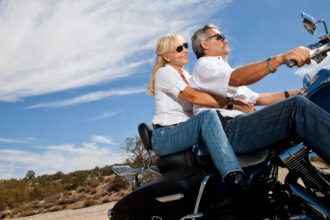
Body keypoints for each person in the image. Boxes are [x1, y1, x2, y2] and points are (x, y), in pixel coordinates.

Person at [190, 24, 330, 177]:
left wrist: (299, 92)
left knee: (304, 101)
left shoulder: (221, 68)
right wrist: (280, 59)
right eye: (219, 37)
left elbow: (257, 98)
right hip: (225, 131)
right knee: (296, 107)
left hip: (238, 125)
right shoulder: (204, 65)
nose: (225, 41)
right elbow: (237, 78)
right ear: (204, 44)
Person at [147, 34, 255, 184]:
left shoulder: (188, 76)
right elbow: (195, 98)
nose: (185, 50)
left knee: (222, 120)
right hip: (166, 135)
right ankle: (234, 178)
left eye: (185, 46)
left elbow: (209, 95)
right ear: (166, 56)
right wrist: (234, 104)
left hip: (186, 131)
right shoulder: (164, 73)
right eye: (179, 48)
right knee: (208, 117)